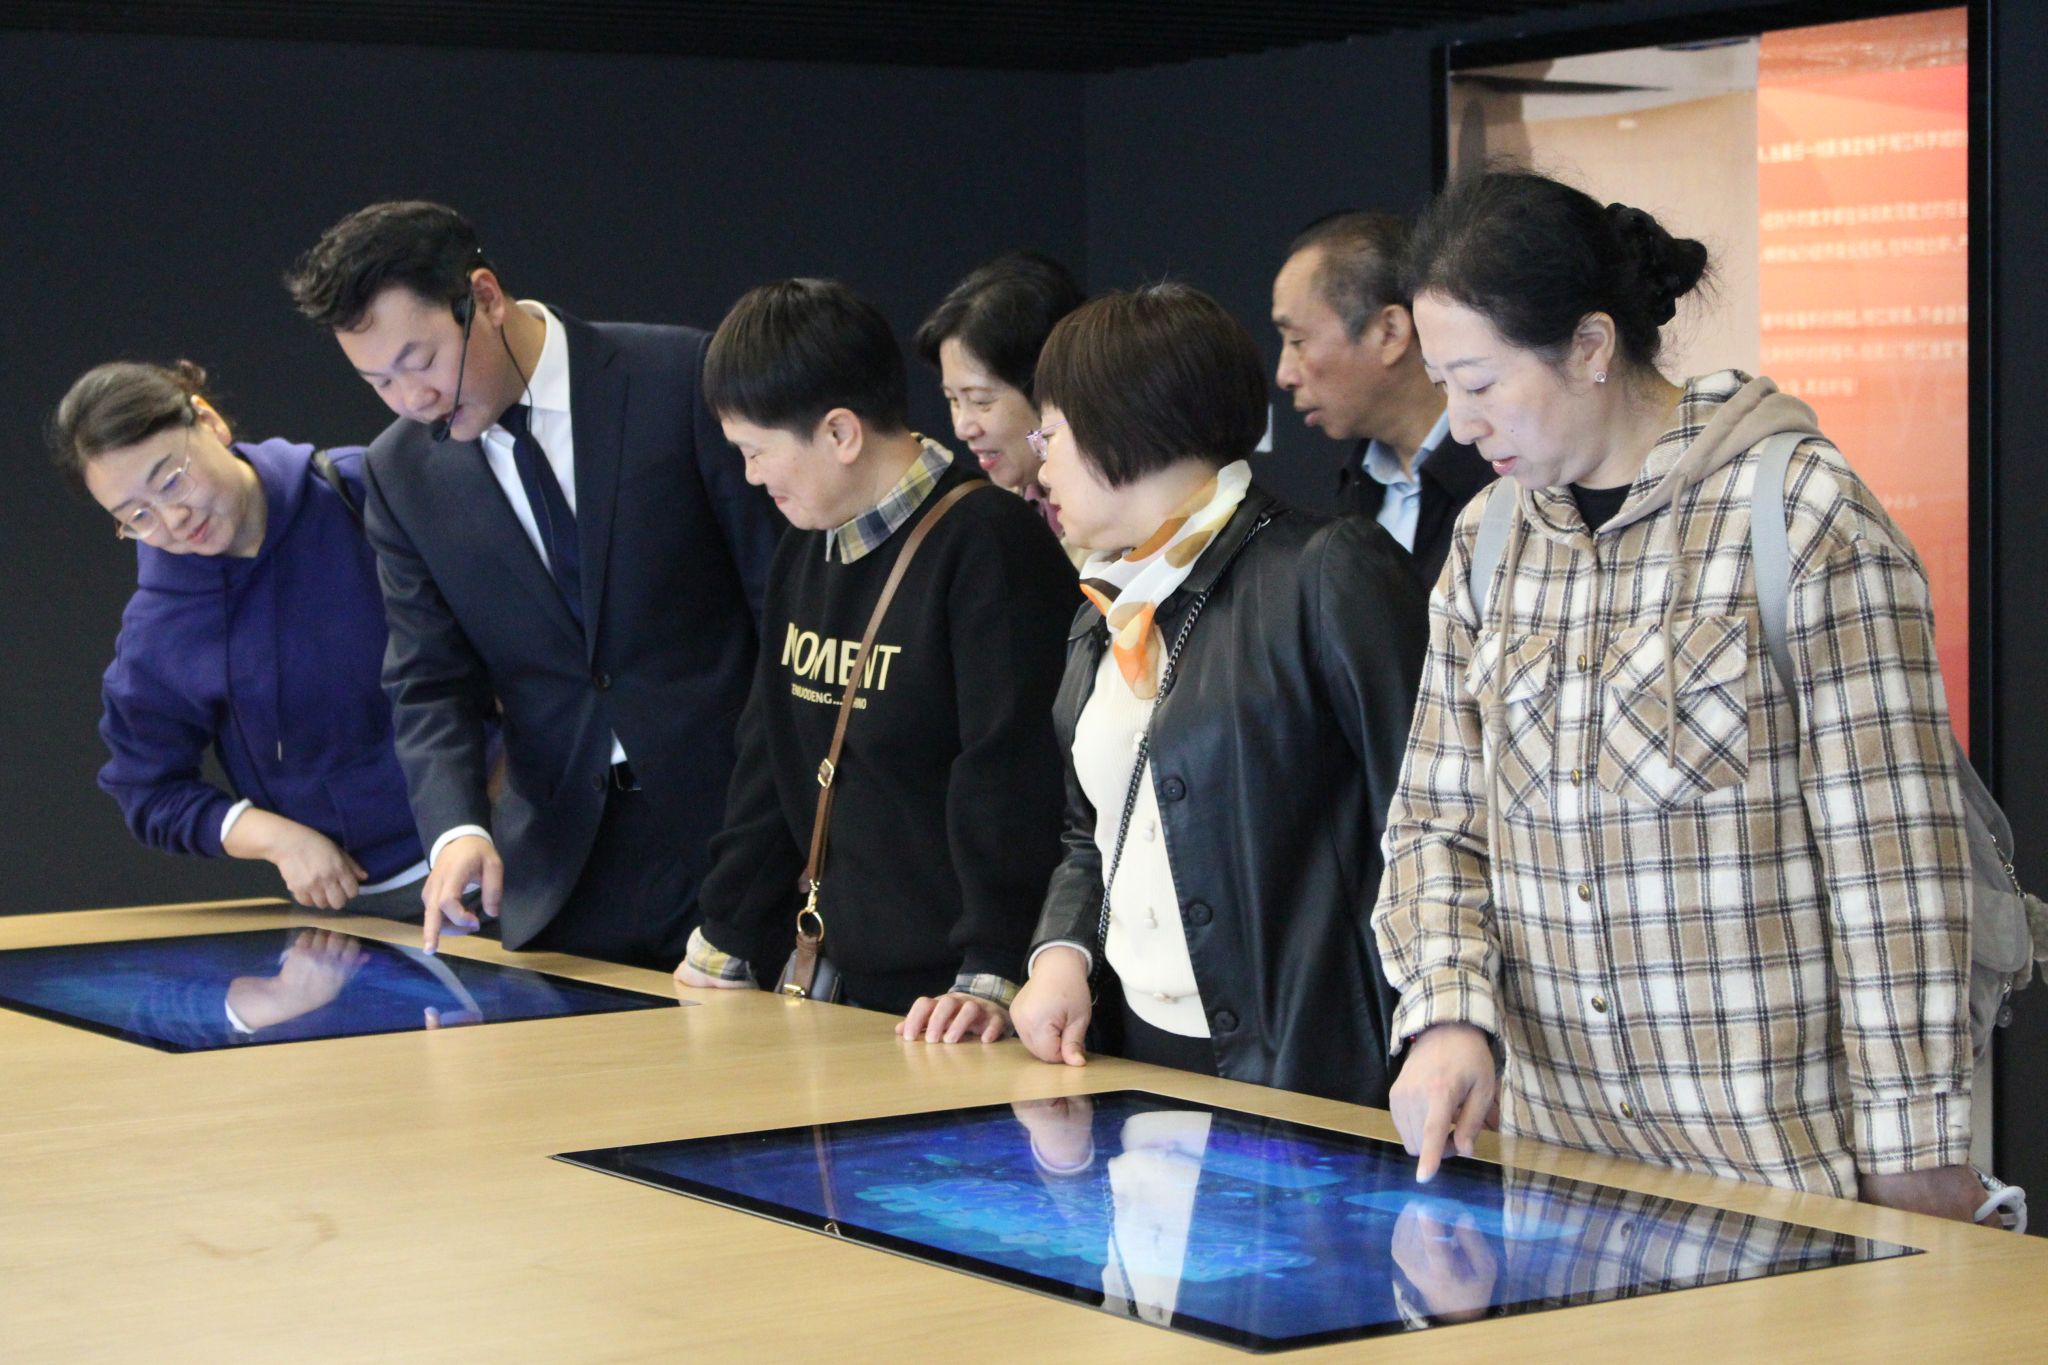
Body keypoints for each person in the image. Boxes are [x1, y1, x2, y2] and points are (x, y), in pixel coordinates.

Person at [1373, 167, 1986, 1222]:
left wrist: (1912, 1147)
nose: (1460, 424)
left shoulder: (1800, 514)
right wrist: (1446, 1012)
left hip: (1778, 1171)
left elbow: (1893, 865)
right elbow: (1434, 821)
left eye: (1478, 383)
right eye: (1442, 385)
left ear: (1590, 346)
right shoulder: (1488, 543)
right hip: (1564, 1176)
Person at [286, 202, 782, 971]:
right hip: (562, 872)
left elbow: (781, 603)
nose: (411, 398)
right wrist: (457, 828)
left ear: (484, 296)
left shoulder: (678, 376)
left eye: (421, 360)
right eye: (378, 380)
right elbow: (428, 680)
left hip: (740, 835)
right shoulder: (399, 471)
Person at [1008, 283, 1427, 1103]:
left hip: (1307, 1065)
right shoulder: (1104, 606)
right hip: (1129, 1050)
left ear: (1123, 421)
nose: (1041, 464)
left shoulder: (1324, 571)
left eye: (1049, 433)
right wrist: (1060, 953)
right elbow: (1090, 829)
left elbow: (1423, 819)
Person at [674, 278, 1074, 1036]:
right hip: (842, 976)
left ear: (840, 434)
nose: (751, 477)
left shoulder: (988, 543)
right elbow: (770, 756)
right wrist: (724, 937)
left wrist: (992, 970)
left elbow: (1011, 777)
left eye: (757, 452)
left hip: (956, 1000)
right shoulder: (805, 545)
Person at [53, 359, 426, 915]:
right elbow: (148, 790)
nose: (173, 520)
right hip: (368, 899)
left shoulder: (359, 489)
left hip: (514, 835)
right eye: (137, 517)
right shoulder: (160, 629)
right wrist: (275, 838)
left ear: (208, 421)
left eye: (171, 481)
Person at [1273, 211, 1494, 584]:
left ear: (1389, 331)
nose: (1284, 375)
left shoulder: (1508, 473)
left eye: (1298, 341)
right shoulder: (1357, 487)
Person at [914, 251, 1084, 545]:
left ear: (1049, 384)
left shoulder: (1119, 530)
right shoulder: (993, 521)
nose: (962, 428)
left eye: (981, 401)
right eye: (953, 400)